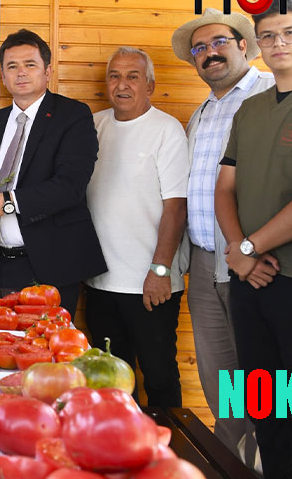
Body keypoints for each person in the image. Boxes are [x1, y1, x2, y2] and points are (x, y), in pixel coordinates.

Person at [215, 0, 292, 479]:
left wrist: (249, 247)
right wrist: (239, 253)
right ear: (257, 45)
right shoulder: (249, 109)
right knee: (262, 405)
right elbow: (225, 188)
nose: (278, 43)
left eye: (289, 33)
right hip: (249, 281)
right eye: (268, 35)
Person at [170, 8, 272, 462]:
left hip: (253, 259)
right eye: (200, 48)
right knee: (221, 380)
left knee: (266, 378)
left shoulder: (270, 93)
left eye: (219, 43)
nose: (209, 53)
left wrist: (253, 247)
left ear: (243, 46)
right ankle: (234, 463)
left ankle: (272, 462)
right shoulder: (203, 111)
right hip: (205, 262)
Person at [0, 28, 106, 321]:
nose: (21, 73)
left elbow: (71, 186)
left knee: (47, 347)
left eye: (30, 64)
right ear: (3, 76)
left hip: (51, 265)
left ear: (47, 71)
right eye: (12, 66)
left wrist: (7, 202)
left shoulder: (73, 116)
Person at [85, 46, 189, 408]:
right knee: (112, 385)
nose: (122, 85)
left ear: (150, 86)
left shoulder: (166, 130)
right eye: (114, 76)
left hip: (150, 284)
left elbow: (176, 207)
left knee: (159, 378)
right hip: (99, 282)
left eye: (133, 77)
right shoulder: (94, 126)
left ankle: (169, 444)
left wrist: (160, 270)